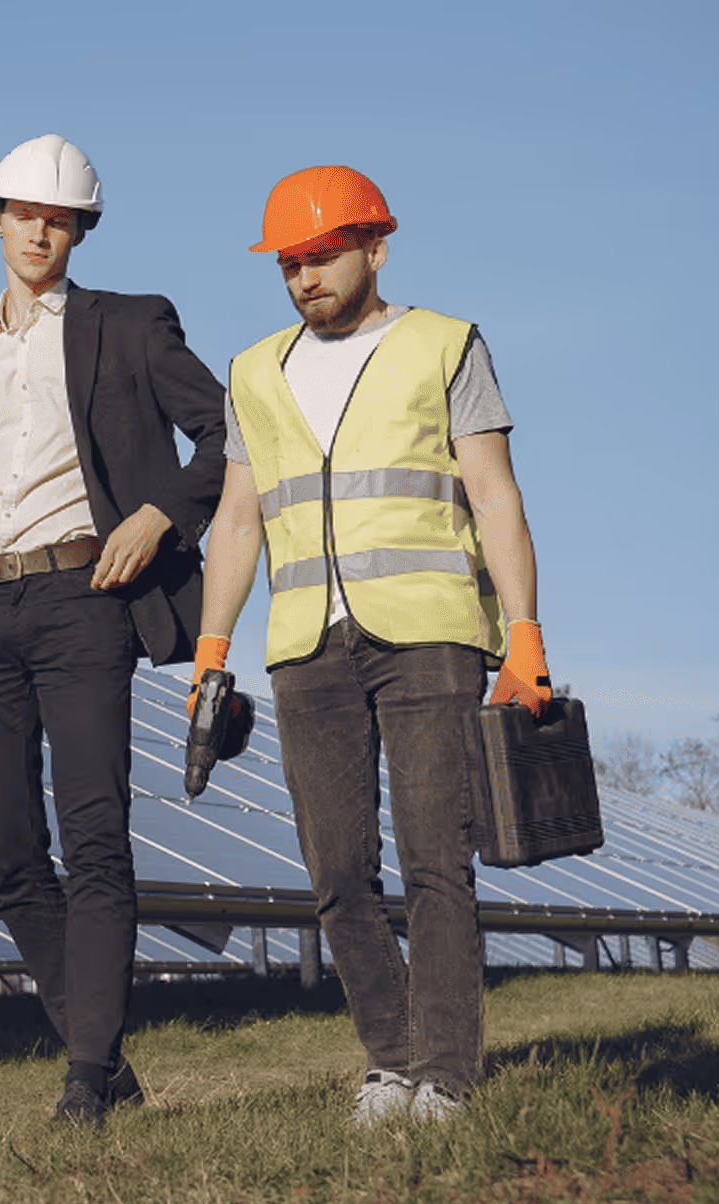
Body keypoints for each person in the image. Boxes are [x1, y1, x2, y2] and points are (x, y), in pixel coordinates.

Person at [194, 165, 548, 1126]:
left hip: (431, 634)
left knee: (438, 860)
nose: (305, 277)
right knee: (337, 872)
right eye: (290, 264)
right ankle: (391, 1064)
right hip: (306, 645)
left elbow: (495, 494)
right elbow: (237, 521)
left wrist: (525, 634)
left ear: (375, 248)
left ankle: (448, 1076)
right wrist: (211, 649)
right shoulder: (253, 371)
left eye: (322, 257)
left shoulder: (445, 345)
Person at [0, 134, 228, 1124]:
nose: (40, 231)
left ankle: (86, 1074)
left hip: (87, 597)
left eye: (60, 218)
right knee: (7, 843)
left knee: (94, 835)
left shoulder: (131, 326)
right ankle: (102, 1057)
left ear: (80, 229)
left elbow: (228, 428)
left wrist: (160, 514)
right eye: (24, 214)